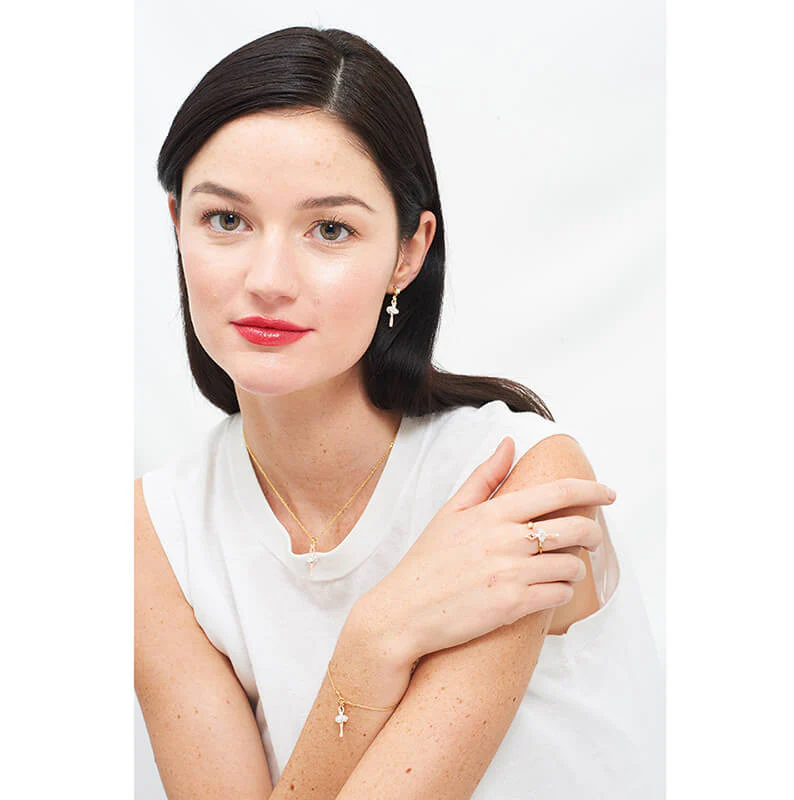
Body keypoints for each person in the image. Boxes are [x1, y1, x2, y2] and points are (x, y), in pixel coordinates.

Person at [134, 26, 664, 799]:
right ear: (176, 223)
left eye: (330, 229)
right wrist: (374, 642)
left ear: (409, 253)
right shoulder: (158, 533)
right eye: (226, 220)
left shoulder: (519, 482)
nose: (269, 278)